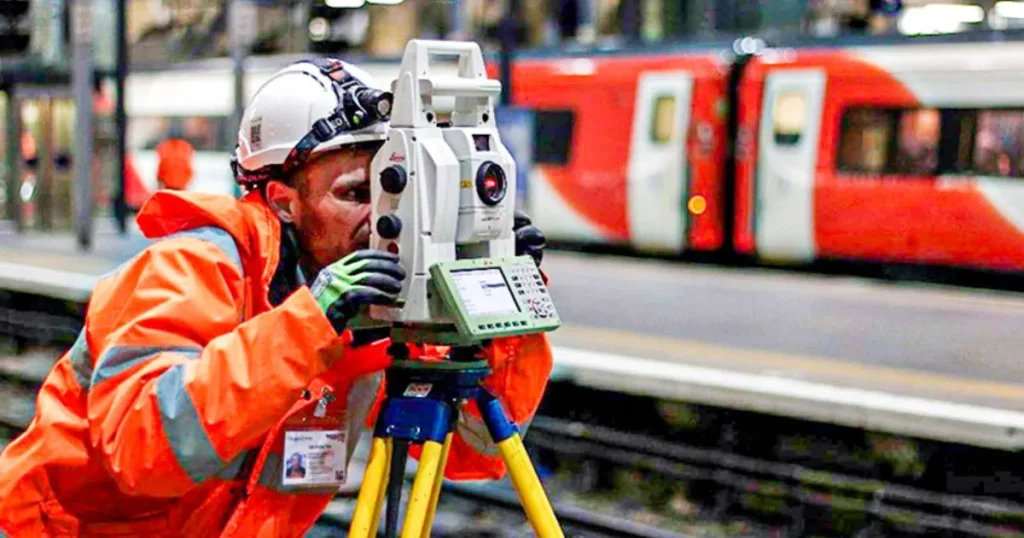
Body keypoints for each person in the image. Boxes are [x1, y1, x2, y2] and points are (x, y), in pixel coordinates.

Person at [0, 58, 552, 537]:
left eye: (389, 188)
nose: (380, 215)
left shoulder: (372, 299)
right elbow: (142, 453)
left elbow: (473, 454)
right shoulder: (192, 268)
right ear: (283, 201)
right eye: (355, 194)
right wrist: (309, 324)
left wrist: (502, 315)